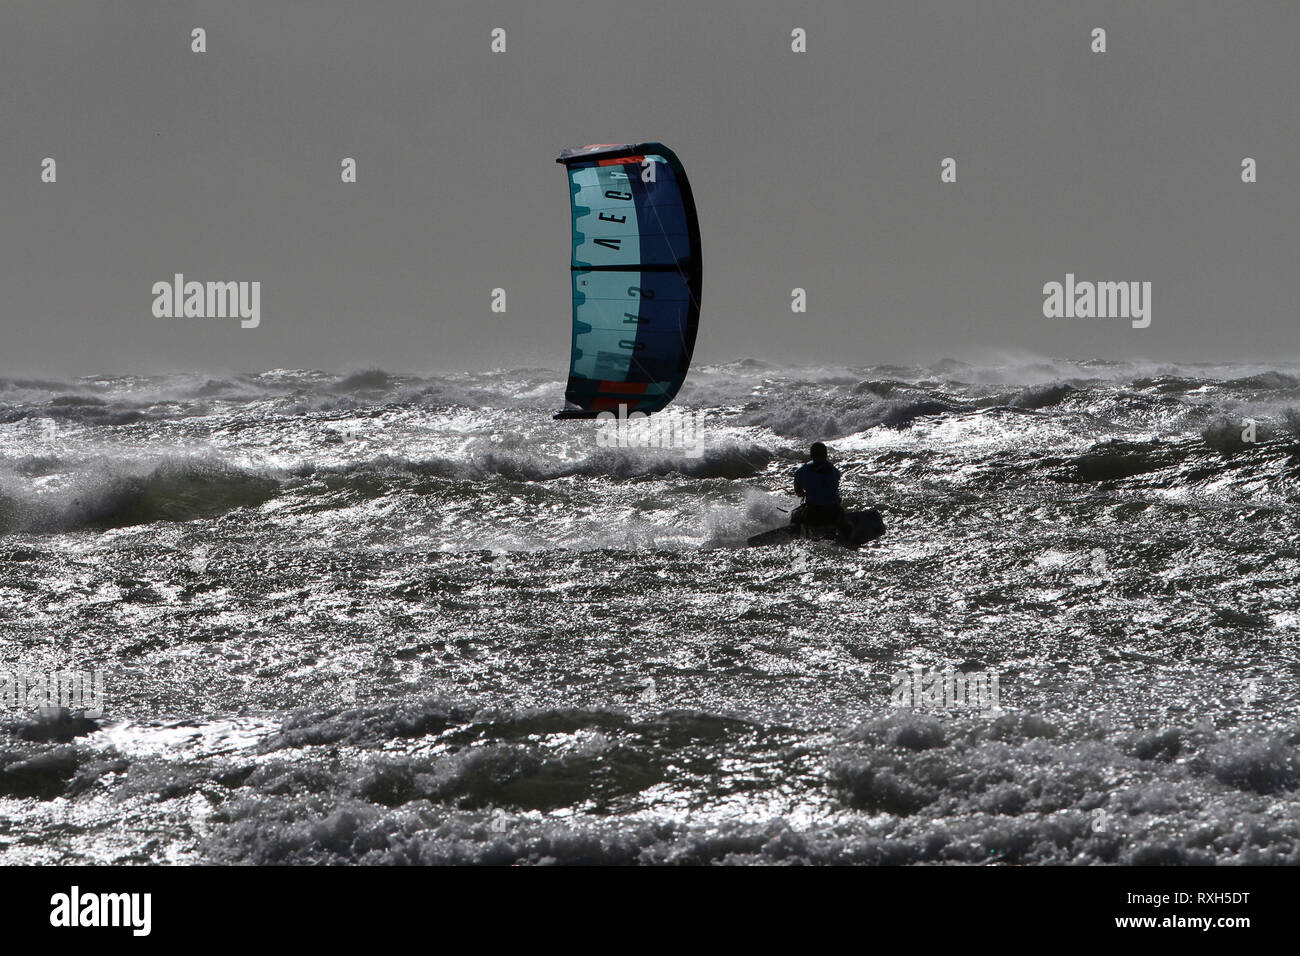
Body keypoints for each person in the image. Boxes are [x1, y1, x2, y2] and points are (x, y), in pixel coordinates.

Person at [791, 442, 849, 533]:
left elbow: (798, 491)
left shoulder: (803, 470)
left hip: (813, 513)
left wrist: (804, 493)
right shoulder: (833, 470)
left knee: (795, 514)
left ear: (811, 455)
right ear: (826, 455)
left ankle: (794, 533)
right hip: (834, 512)